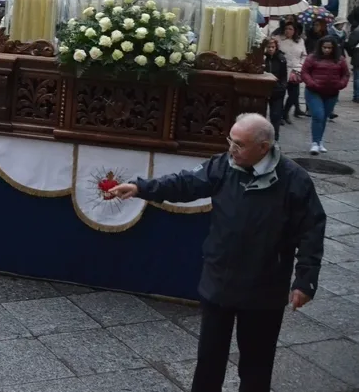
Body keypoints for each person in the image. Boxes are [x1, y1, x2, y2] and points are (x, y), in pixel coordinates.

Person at [109, 113, 326, 392]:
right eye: (230, 141)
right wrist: (141, 188)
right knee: (209, 359)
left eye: (239, 145)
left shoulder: (294, 179)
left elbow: (311, 229)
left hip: (265, 286)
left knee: (256, 363)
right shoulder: (223, 165)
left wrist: (305, 279)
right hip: (220, 279)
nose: (231, 150)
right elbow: (186, 183)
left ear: (264, 147)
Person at [301, 35, 350, 155]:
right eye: (325, 47)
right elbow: (305, 72)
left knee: (324, 118)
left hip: (332, 93)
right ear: (320, 47)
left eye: (329, 48)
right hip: (314, 91)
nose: (327, 50)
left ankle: (319, 141)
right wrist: (312, 83)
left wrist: (341, 84)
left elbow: (346, 74)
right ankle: (315, 143)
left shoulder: (340, 59)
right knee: (318, 115)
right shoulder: (312, 58)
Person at [277, 22, 307, 122]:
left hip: (295, 71)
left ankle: (285, 113)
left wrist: (300, 66)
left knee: (294, 95)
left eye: (290, 29)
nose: (288, 31)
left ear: (295, 31)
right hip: (281, 71)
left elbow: (304, 55)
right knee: (280, 94)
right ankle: (279, 115)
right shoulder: (279, 39)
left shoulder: (300, 41)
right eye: (286, 28)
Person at [263, 38, 287, 141]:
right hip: (263, 89)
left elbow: (284, 74)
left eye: (273, 47)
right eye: (269, 47)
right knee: (260, 115)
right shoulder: (262, 58)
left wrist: (282, 86)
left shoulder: (281, 58)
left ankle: (274, 138)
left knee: (276, 115)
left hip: (277, 90)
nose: (271, 49)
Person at [345, 23, 359, 103]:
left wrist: (352, 53)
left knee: (357, 78)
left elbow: (350, 45)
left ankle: (357, 96)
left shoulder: (356, 31)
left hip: (357, 57)